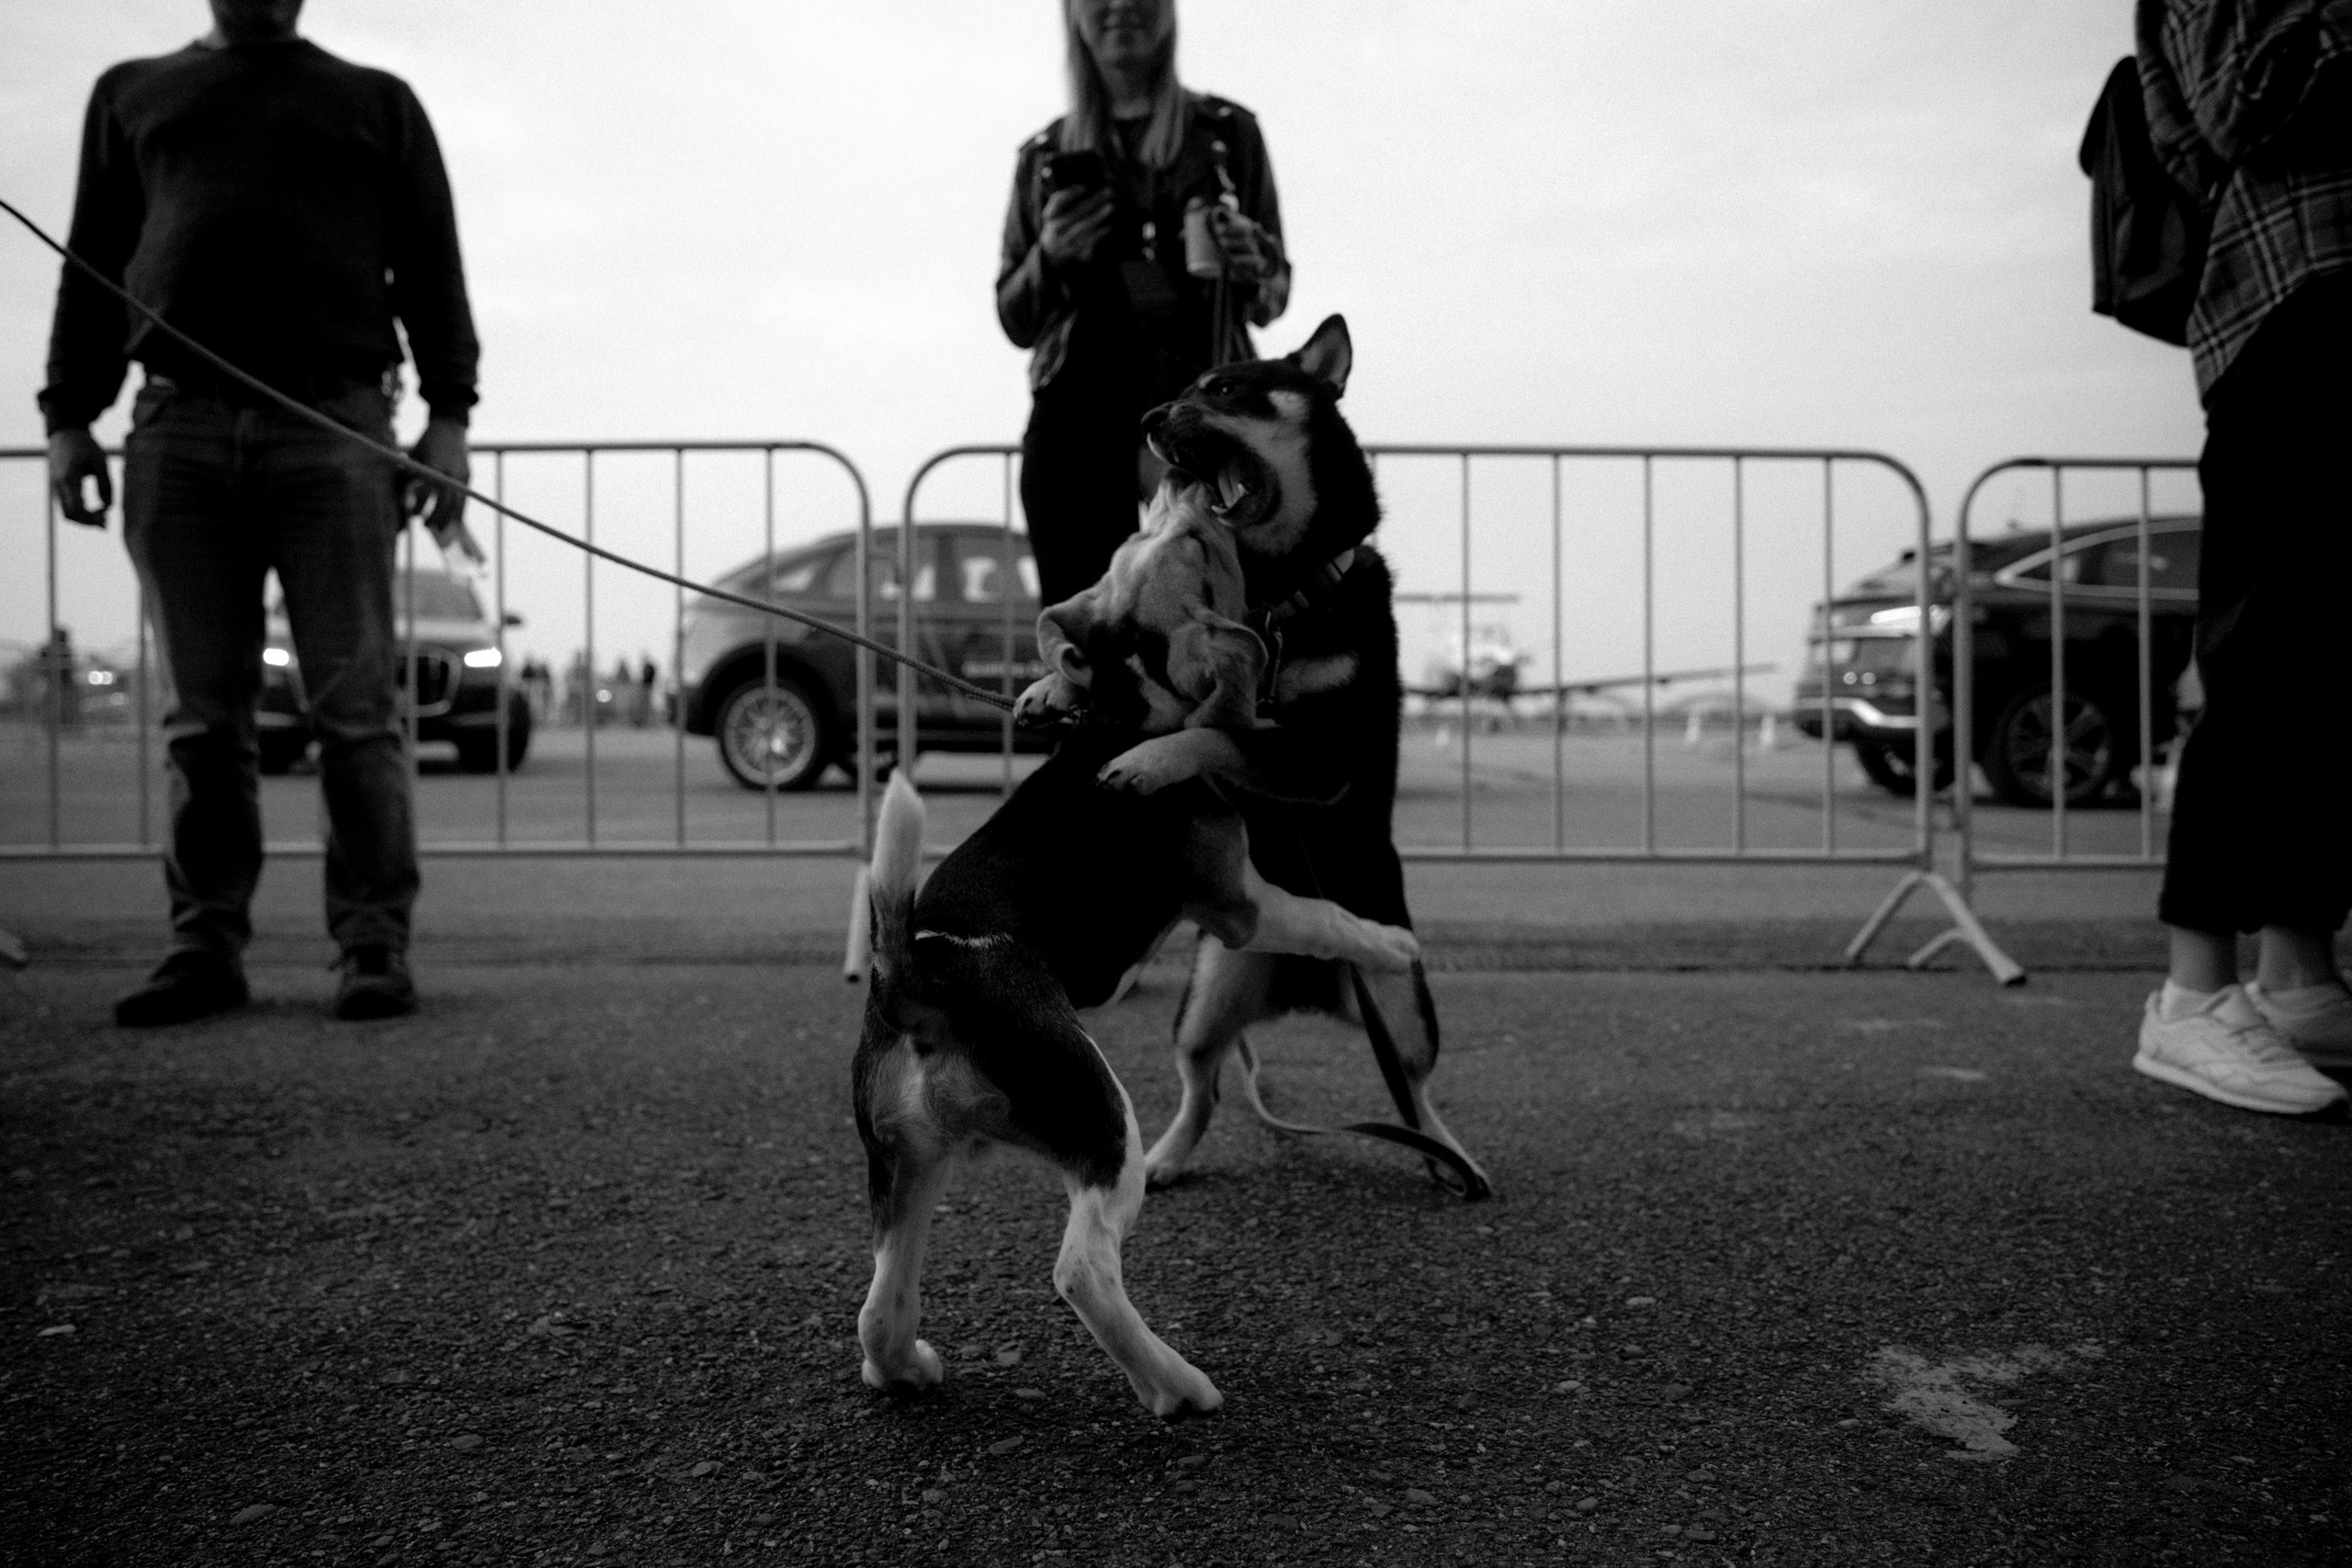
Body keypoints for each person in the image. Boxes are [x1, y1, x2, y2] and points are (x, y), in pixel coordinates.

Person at [40, 0, 480, 1026]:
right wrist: (69, 418)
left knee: (358, 711)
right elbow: (92, 264)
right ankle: (203, 945)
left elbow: (431, 268)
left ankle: (373, 945)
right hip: (175, 430)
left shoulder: (377, 103)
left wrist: (449, 418)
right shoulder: (131, 93)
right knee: (202, 717)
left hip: (334, 424)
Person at [2132, 0, 2352, 1115]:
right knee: (2265, 656)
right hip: (2296, 303)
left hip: (2316, 291)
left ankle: (2297, 970)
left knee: (2327, 667)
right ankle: (2192, 992)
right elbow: (2234, 106)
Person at [998, 0, 1291, 606]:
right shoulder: (1043, 156)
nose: (1121, 7)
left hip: (1204, 412)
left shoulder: (1227, 135)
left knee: (1218, 624)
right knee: (1086, 635)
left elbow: (1274, 296)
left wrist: (1254, 262)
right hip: (1076, 421)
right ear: (1074, 13)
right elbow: (1014, 316)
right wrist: (1050, 254)